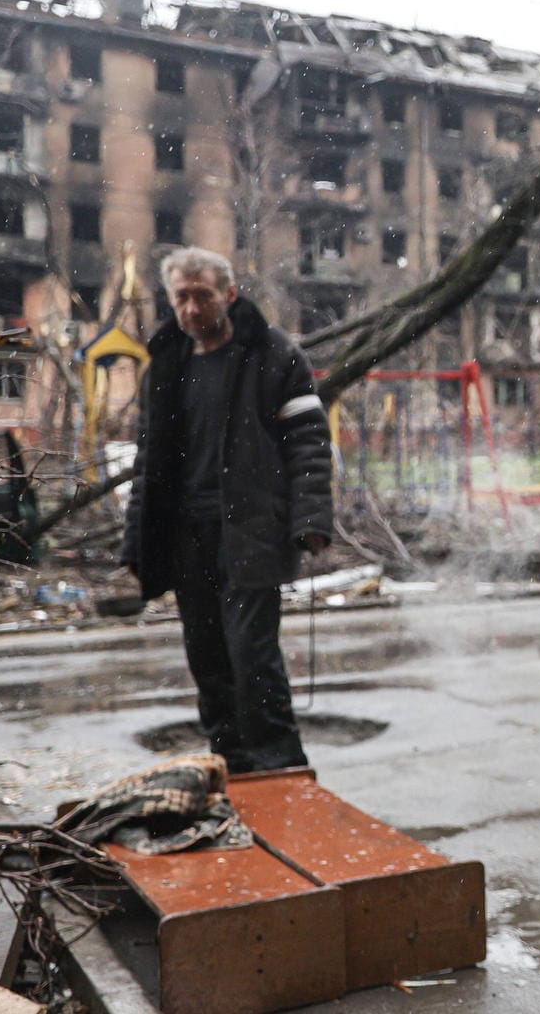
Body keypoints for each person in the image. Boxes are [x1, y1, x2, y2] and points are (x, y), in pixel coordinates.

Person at [122, 247, 333, 773]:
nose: (191, 309)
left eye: (203, 296)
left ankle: (280, 763)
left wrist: (310, 520)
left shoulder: (273, 354)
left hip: (251, 529)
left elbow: (308, 443)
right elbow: (148, 462)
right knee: (207, 657)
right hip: (186, 535)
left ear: (229, 294)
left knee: (252, 655)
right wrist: (135, 540)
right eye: (181, 298)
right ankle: (232, 760)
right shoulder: (165, 366)